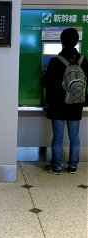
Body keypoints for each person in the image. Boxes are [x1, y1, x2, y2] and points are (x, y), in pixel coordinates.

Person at [42, 27, 88, 175]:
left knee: (58, 137)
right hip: (75, 103)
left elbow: (45, 82)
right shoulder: (83, 60)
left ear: (61, 41)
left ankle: (56, 166)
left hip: (58, 105)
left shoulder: (55, 61)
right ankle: (73, 166)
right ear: (76, 41)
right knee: (75, 137)